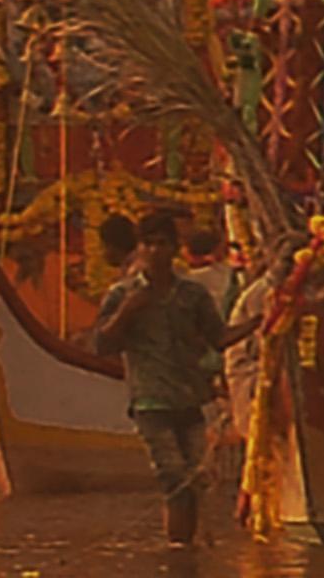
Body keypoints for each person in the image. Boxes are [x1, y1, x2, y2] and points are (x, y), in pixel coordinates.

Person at [108, 207, 235, 543]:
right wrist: (127, 312)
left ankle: (184, 550)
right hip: (150, 401)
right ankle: (178, 550)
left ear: (175, 248)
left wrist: (263, 321)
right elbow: (102, 344)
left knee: (194, 481)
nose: (154, 251)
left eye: (162, 243)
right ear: (139, 248)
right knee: (174, 478)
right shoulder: (122, 294)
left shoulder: (193, 295)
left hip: (189, 398)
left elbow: (219, 338)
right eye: (148, 243)